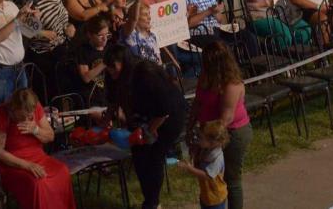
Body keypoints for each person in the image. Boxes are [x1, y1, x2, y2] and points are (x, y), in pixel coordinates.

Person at [102, 46, 187, 209]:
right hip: (144, 116)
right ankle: (150, 200)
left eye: (113, 66)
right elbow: (112, 99)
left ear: (124, 62)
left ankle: (152, 203)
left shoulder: (145, 74)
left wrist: (148, 130)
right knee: (139, 155)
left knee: (154, 155)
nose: (111, 70)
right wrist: (106, 119)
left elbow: (164, 109)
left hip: (168, 116)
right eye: (108, 67)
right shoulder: (113, 76)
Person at [188, 41, 252, 209]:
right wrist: (190, 128)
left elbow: (225, 119)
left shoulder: (232, 84)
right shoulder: (206, 76)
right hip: (207, 133)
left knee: (231, 179)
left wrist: (207, 143)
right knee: (211, 180)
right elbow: (198, 103)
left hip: (231, 133)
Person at [0, 88, 76, 209]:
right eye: (22, 116)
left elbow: (50, 136)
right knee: (38, 183)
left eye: (29, 116)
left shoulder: (34, 107)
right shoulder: (2, 112)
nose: (26, 119)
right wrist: (27, 165)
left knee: (63, 171)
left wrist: (36, 130)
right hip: (12, 163)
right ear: (14, 109)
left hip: (38, 156)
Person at [25, 0, 75, 98]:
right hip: (43, 56)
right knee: (49, 94)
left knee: (64, 91)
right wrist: (42, 33)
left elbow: (63, 21)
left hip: (60, 50)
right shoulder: (33, 3)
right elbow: (25, 29)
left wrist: (69, 26)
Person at [179, 120, 230, 209]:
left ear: (212, 142)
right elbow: (200, 163)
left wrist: (189, 168)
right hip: (206, 196)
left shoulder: (217, 158)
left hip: (216, 198)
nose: (199, 139)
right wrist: (193, 156)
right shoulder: (207, 149)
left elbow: (207, 175)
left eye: (202, 138)